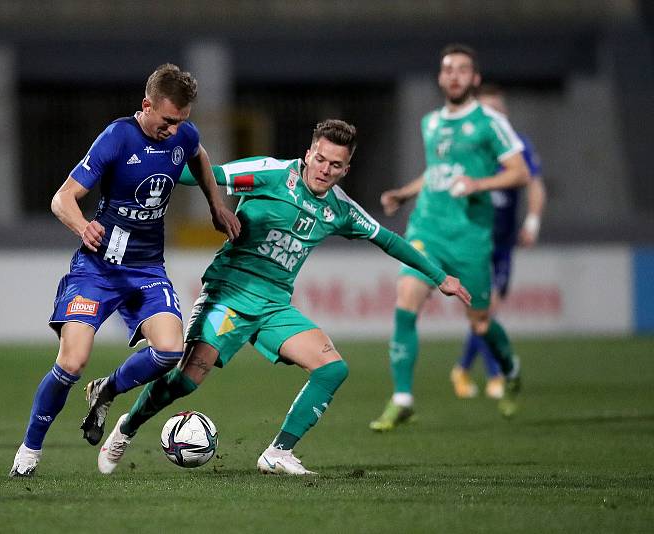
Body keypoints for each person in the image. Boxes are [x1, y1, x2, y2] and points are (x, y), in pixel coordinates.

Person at [87, 119, 471, 477]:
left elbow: (388, 240)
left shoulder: (340, 209)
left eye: (335, 165)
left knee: (333, 369)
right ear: (308, 154)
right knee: (186, 379)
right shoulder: (270, 173)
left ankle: (278, 453)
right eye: (320, 159)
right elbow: (206, 174)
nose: (325, 169)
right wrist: (141, 172)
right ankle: (126, 427)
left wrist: (439, 278)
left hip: (274, 306)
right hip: (229, 295)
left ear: (345, 170)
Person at [9, 63, 241, 477]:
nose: (174, 130)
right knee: (73, 361)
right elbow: (62, 199)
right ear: (146, 105)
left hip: (147, 268)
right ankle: (29, 450)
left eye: (182, 122)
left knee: (170, 351)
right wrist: (82, 226)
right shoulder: (117, 137)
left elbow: (200, 156)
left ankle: (107, 389)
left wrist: (216, 205)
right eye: (168, 120)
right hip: (97, 270)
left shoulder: (183, 134)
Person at [369, 44, 531, 432]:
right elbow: (437, 172)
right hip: (428, 229)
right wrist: (404, 193)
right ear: (441, 77)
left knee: (479, 323)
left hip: (470, 237)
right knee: (406, 301)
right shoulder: (431, 123)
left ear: (474, 78)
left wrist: (479, 183)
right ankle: (403, 398)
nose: (454, 75)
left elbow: (520, 172)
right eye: (447, 69)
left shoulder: (490, 122)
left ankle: (510, 370)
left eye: (462, 69)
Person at [450, 84, 547, 400]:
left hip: (503, 244)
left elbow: (534, 185)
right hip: (475, 242)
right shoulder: (469, 147)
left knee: (484, 313)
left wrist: (532, 220)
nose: (495, 116)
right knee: (486, 310)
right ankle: (494, 376)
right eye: (489, 111)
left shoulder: (518, 148)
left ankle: (463, 369)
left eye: (499, 111)